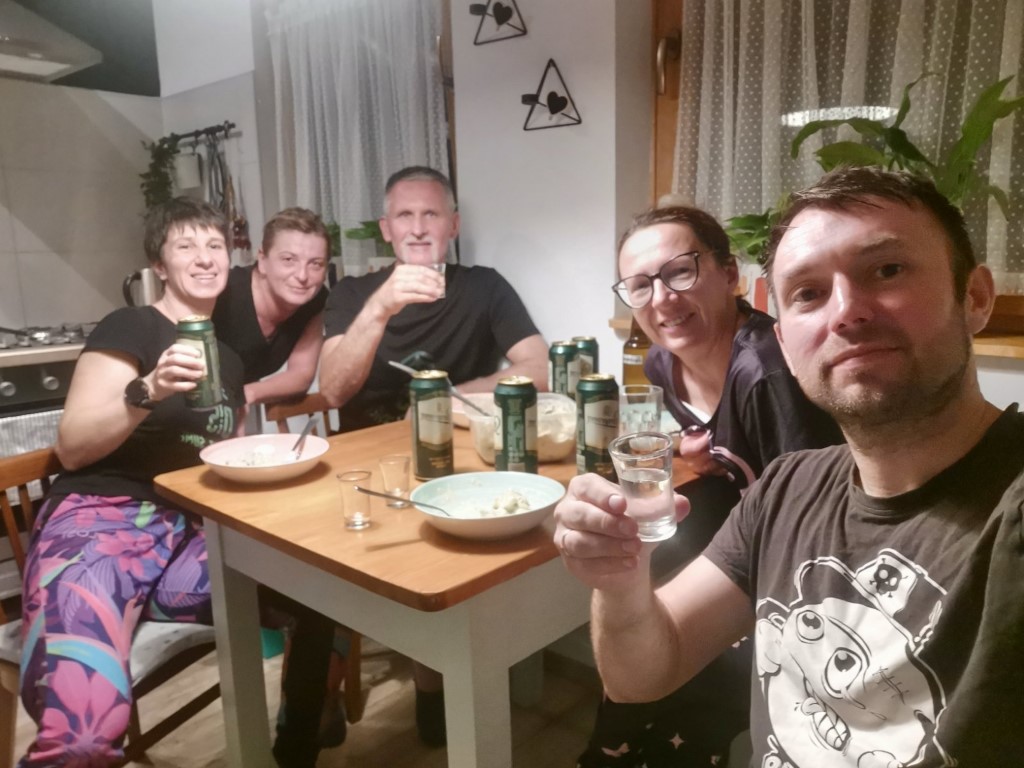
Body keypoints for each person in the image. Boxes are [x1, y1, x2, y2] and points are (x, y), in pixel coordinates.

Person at [554, 166, 1024, 767]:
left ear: (975, 297)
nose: (846, 312)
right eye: (807, 293)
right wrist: (619, 580)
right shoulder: (784, 490)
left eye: (887, 270)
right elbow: (640, 675)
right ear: (785, 338)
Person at [17, 199, 332, 768]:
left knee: (320, 587)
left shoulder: (229, 361)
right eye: (186, 246)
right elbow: (73, 447)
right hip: (99, 523)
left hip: (188, 534)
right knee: (82, 737)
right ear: (160, 265)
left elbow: (222, 456)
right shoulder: (131, 327)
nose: (205, 258)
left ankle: (297, 746)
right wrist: (148, 390)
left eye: (214, 246)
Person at [575, 207, 843, 767]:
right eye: (639, 285)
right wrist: (691, 447)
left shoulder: (764, 372)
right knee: (637, 626)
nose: (661, 298)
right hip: (738, 542)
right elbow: (717, 437)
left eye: (680, 271)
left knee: (683, 681)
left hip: (798, 571)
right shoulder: (662, 364)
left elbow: (815, 513)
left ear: (729, 274)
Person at [318, 165, 549, 431]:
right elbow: (332, 393)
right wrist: (378, 308)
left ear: (453, 225)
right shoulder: (350, 293)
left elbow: (543, 368)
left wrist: (450, 398)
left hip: (454, 441)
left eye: (431, 214)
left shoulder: (484, 286)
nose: (418, 229)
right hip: (370, 449)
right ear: (386, 229)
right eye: (405, 215)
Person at [212, 206, 329, 408]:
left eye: (315, 264)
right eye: (288, 259)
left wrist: (247, 394)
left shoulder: (315, 300)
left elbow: (300, 375)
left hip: (228, 405)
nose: (302, 275)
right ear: (263, 260)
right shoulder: (222, 293)